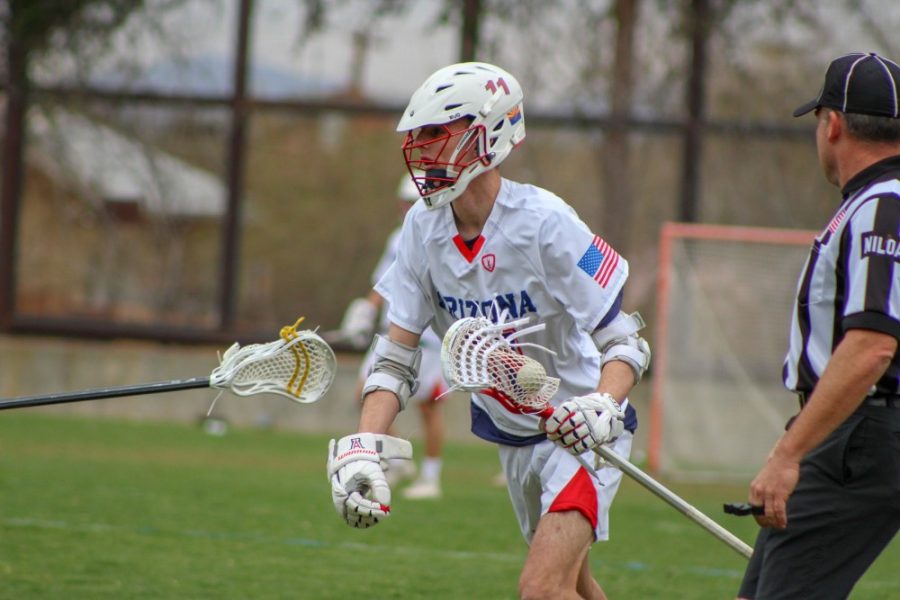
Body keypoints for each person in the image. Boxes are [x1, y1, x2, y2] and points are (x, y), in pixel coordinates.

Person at [326, 61, 650, 599]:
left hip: (580, 434)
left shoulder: (546, 222)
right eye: (418, 136)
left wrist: (600, 406)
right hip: (512, 437)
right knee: (575, 585)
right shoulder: (420, 230)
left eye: (436, 134)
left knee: (541, 589)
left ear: (487, 135)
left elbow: (624, 342)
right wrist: (366, 444)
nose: (422, 149)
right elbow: (394, 360)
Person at [737, 52, 900, 600]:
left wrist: (789, 455)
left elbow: (873, 345)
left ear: (832, 125)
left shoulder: (882, 206)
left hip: (861, 436)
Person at [330, 175, 449, 500]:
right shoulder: (399, 238)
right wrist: (366, 311)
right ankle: (396, 460)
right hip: (392, 334)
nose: (406, 208)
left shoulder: (442, 236)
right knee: (365, 394)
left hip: (429, 339)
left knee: (428, 408)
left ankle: (431, 476)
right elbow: (386, 281)